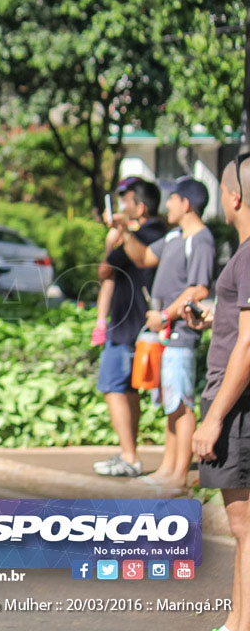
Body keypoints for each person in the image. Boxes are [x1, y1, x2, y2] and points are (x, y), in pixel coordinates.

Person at [118, 177, 215, 494]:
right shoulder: (174, 235)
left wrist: (165, 314)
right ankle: (168, 468)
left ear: (185, 203)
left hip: (180, 333)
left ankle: (179, 476)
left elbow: (199, 288)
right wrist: (124, 231)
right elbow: (144, 257)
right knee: (170, 403)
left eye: (172, 198)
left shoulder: (200, 239)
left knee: (182, 403)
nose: (168, 204)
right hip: (164, 334)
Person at [187, 157, 250, 631]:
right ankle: (235, 622)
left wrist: (213, 420)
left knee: (246, 528)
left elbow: (249, 342)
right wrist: (214, 316)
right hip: (237, 404)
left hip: (238, 407)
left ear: (234, 197)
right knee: (243, 529)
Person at [92, 179, 166, 477]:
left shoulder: (149, 233)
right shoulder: (156, 234)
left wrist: (117, 237)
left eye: (128, 202)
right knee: (128, 390)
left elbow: (104, 270)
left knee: (113, 387)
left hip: (127, 325)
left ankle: (129, 455)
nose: (123, 207)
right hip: (135, 324)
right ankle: (128, 452)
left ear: (141, 206)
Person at [91, 177, 140, 346]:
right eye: (122, 198)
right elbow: (107, 270)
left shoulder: (141, 229)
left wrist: (118, 233)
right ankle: (101, 323)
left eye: (127, 198)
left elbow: (105, 270)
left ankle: (101, 323)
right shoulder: (120, 229)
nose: (124, 203)